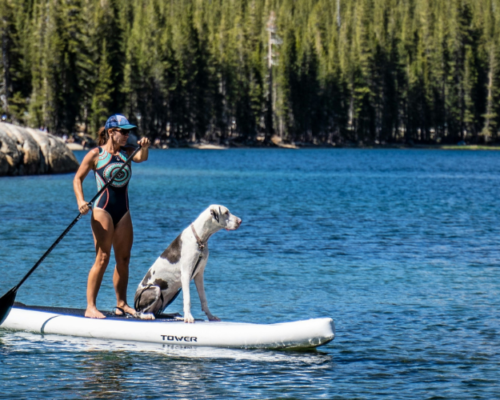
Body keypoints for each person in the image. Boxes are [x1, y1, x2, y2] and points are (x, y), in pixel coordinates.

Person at [73, 114, 150, 318]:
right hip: (102, 210)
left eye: (129, 132)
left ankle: (121, 304)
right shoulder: (95, 155)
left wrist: (145, 145)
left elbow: (143, 157)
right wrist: (81, 201)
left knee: (123, 259)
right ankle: (90, 307)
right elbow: (77, 179)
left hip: (123, 211)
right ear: (110, 132)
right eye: (123, 132)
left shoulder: (129, 152)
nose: (127, 135)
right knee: (103, 258)